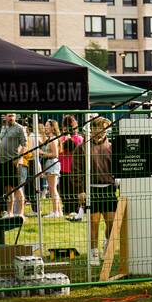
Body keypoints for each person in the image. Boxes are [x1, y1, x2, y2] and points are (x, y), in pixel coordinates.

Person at [73, 116, 118, 267]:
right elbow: (76, 170)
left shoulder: (112, 147)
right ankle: (93, 252)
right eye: (97, 129)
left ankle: (106, 244)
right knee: (93, 223)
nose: (100, 132)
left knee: (111, 223)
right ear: (91, 130)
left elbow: (118, 169)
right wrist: (80, 190)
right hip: (91, 190)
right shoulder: (82, 147)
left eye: (103, 129)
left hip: (109, 190)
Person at [0, 113, 27, 217]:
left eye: (11, 115)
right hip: (2, 162)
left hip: (12, 162)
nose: (9, 118)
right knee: (8, 190)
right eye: (7, 116)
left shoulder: (19, 128)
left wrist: (18, 158)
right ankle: (10, 213)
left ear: (15, 117)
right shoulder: (4, 127)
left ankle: (21, 213)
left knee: (17, 188)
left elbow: (24, 145)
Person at [59, 114, 84, 219]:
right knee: (67, 190)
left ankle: (74, 208)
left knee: (71, 190)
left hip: (71, 168)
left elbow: (64, 151)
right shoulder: (65, 138)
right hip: (66, 168)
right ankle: (69, 208)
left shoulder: (77, 139)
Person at [40, 119, 62, 217]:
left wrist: (42, 153)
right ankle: (59, 211)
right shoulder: (50, 138)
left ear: (52, 127)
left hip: (52, 164)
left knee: (53, 189)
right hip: (50, 164)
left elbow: (55, 154)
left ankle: (55, 212)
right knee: (53, 189)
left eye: (47, 126)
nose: (45, 128)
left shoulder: (53, 139)